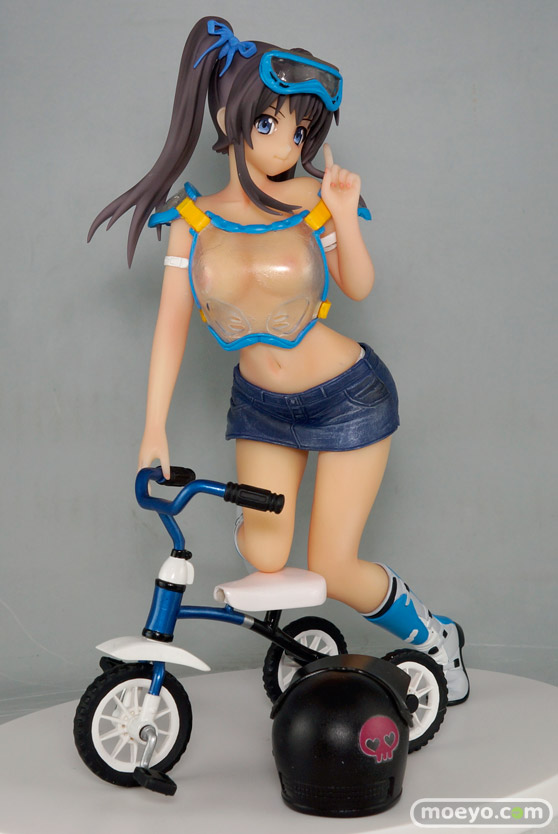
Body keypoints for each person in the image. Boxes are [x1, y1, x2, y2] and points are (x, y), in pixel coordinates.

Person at [89, 16, 469, 705]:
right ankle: (288, 572)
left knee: (332, 566)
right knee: (266, 558)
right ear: (229, 118)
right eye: (269, 125)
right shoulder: (191, 218)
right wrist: (154, 427)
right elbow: (172, 324)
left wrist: (344, 213)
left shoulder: (315, 200)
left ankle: (435, 634)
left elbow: (358, 286)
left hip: (348, 396)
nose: (285, 145)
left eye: (300, 133)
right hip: (262, 407)